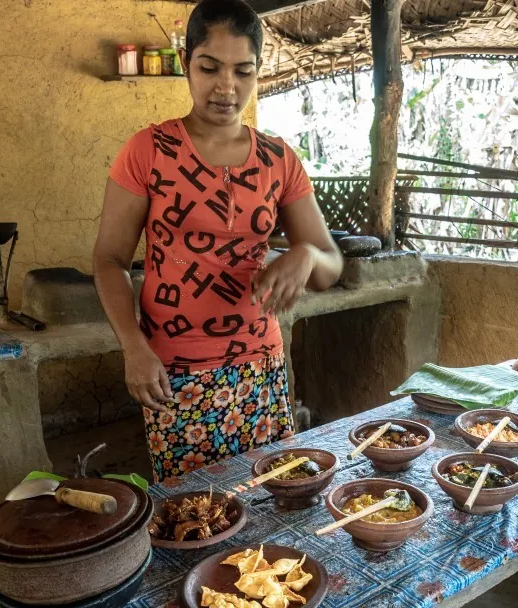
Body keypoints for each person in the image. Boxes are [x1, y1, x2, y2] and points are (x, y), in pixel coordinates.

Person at [93, 0, 343, 483]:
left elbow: (332, 265)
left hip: (260, 365)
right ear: (187, 62)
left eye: (242, 71)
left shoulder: (277, 159)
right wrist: (133, 346)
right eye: (210, 67)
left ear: (257, 72)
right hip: (173, 370)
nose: (226, 87)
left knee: (272, 499)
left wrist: (306, 254)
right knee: (196, 514)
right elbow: (108, 260)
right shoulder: (148, 151)